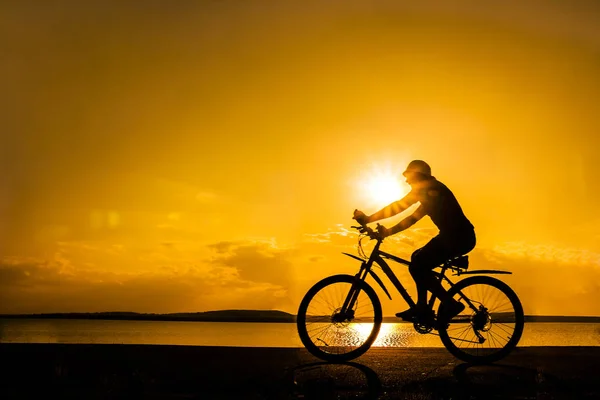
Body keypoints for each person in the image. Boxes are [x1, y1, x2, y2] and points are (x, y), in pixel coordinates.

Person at [353, 160, 475, 322]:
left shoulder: (429, 189)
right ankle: (422, 306)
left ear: (418, 176)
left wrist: (369, 218)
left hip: (457, 237)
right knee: (417, 258)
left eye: (409, 176)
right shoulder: (431, 193)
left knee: (418, 265)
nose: (406, 180)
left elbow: (399, 206)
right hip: (456, 236)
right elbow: (411, 219)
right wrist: (387, 232)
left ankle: (448, 303)